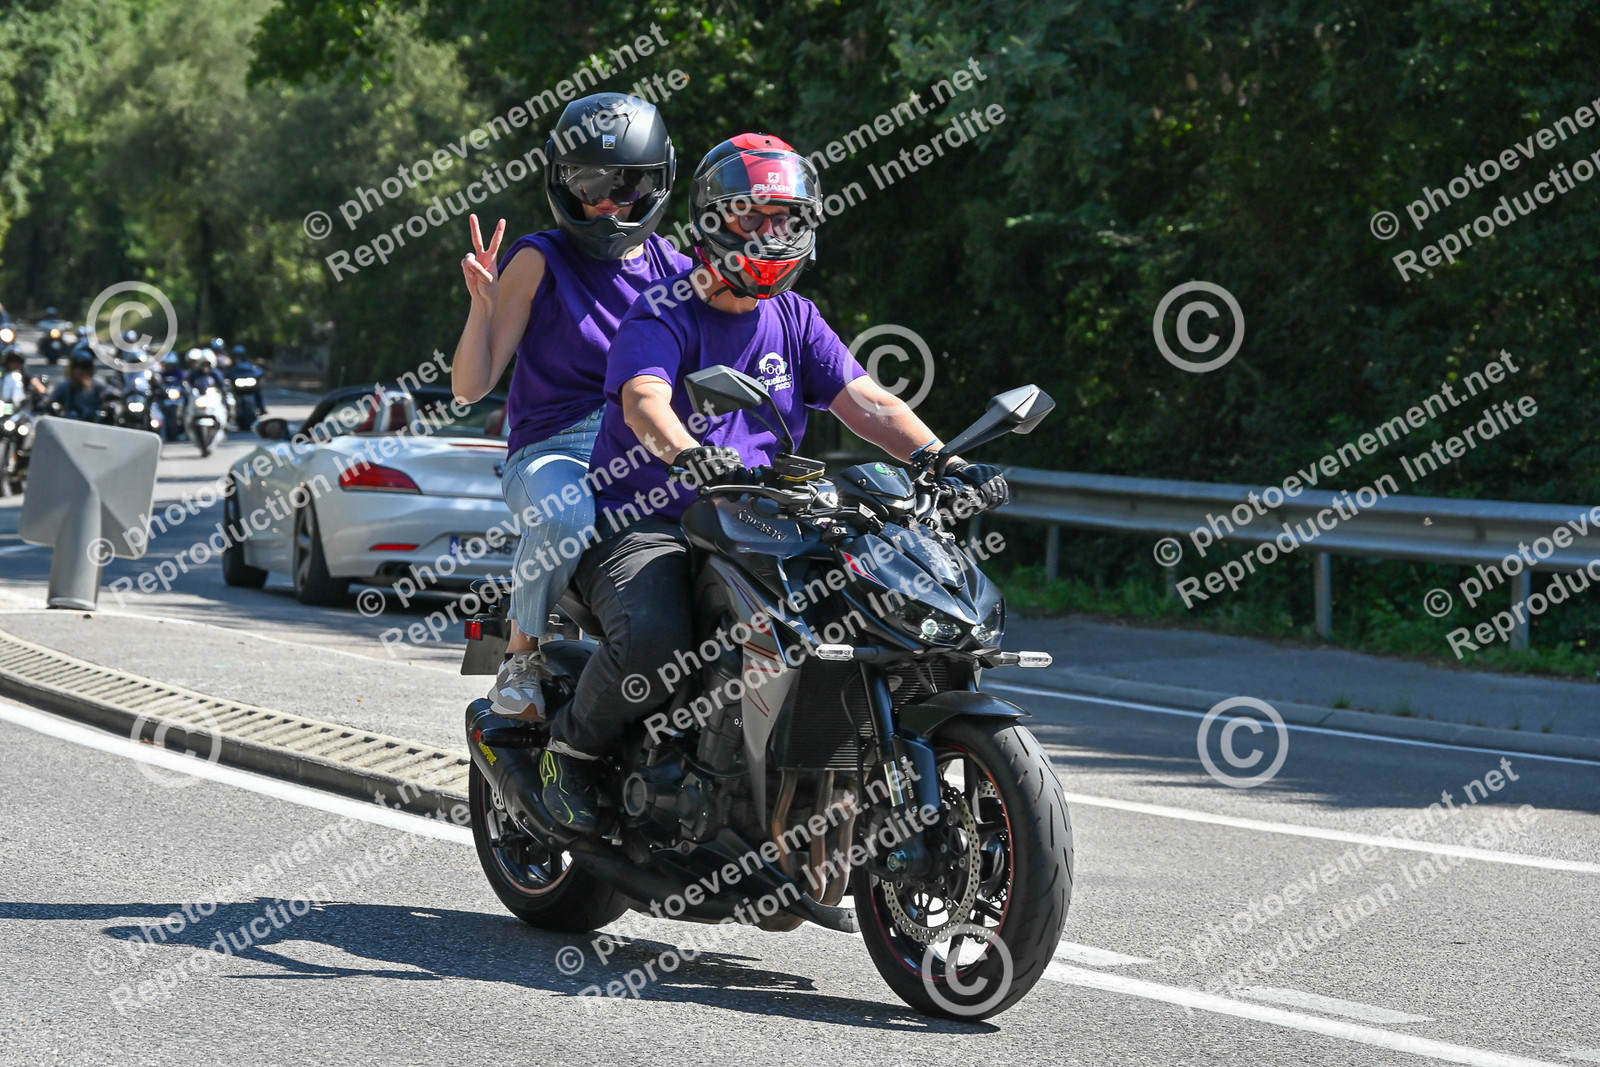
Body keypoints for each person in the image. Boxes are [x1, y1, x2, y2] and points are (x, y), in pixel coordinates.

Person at [537, 134, 1011, 833]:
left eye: (785, 218)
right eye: (752, 215)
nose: (771, 232)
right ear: (711, 220)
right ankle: (570, 753)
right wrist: (689, 454)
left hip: (766, 519)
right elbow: (643, 399)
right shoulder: (664, 308)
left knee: (865, 615)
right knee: (655, 641)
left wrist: (944, 460)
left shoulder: (794, 318)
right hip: (650, 522)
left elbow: (867, 402)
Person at [451, 91, 690, 721]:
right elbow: (471, 388)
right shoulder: (539, 258)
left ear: (657, 183)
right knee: (564, 515)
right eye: (590, 184)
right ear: (562, 182)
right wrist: (482, 306)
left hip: (646, 451)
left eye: (627, 186)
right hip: (553, 450)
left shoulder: (677, 271)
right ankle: (521, 656)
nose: (607, 204)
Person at [49, 353, 107, 420]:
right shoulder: (64, 386)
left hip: (93, 422)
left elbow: (107, 401)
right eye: (76, 367)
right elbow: (52, 403)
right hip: (70, 422)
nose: (80, 371)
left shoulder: (98, 386)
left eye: (85, 367)